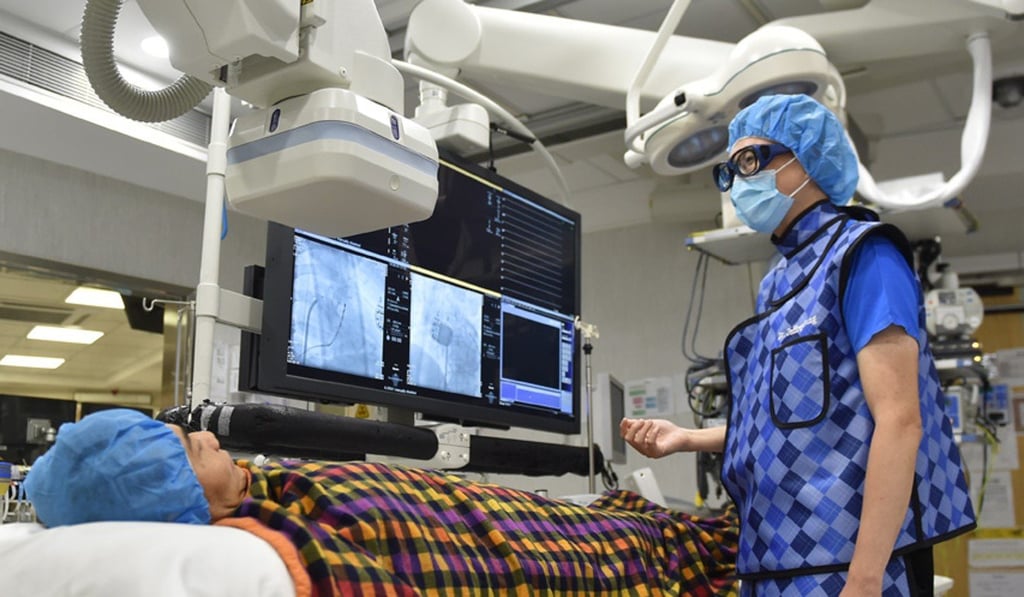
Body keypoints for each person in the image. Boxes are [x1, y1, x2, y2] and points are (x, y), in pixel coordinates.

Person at [621, 94, 975, 597]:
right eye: (729, 170)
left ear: (807, 157)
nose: (740, 181)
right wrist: (686, 438)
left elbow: (900, 420)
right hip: (776, 560)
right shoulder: (779, 280)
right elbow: (792, 423)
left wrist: (866, 579)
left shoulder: (864, 256)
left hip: (852, 565)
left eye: (751, 160)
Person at [25, 408, 740, 596]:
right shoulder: (268, 538)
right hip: (620, 558)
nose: (202, 434)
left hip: (608, 522)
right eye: (182, 448)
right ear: (168, 496)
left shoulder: (273, 482)